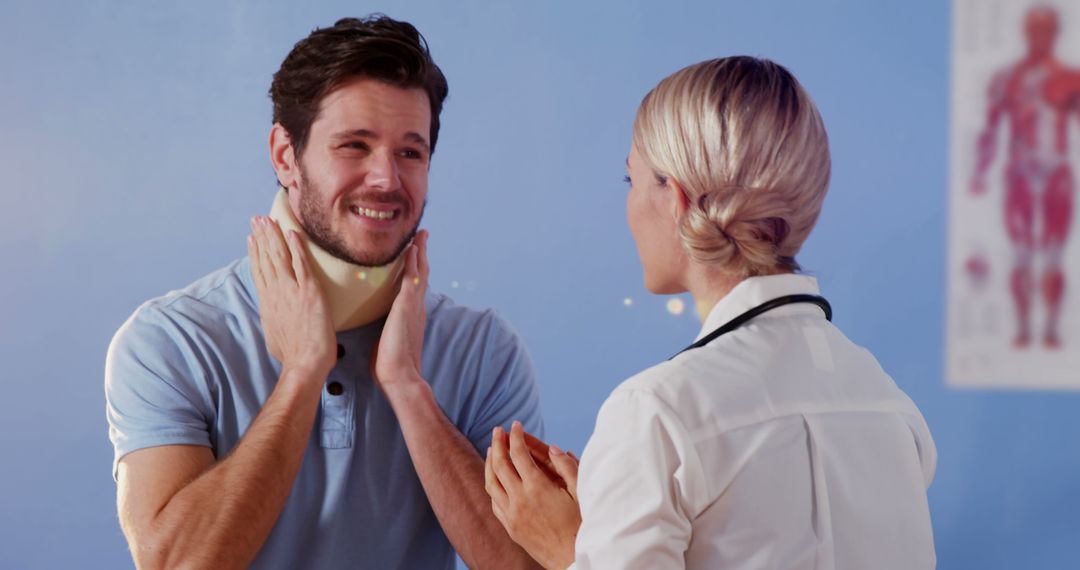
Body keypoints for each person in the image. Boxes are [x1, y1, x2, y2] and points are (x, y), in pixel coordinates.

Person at [105, 16, 543, 570]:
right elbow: (176, 565)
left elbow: (528, 566)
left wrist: (408, 389)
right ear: (286, 156)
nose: (385, 178)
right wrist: (302, 374)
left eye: (411, 152)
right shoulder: (172, 340)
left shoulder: (483, 348)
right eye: (354, 146)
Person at [484, 56, 937, 569]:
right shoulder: (892, 408)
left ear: (674, 198)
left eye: (629, 180)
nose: (627, 206)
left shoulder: (656, 414)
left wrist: (564, 549)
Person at [971, 5, 1077, 349]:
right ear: (1026, 32)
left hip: (1057, 177)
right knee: (1020, 255)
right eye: (1035, 29)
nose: (1040, 37)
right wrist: (980, 172)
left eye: (1047, 29)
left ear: (1056, 34)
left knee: (1054, 255)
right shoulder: (1007, 80)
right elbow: (990, 130)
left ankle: (1048, 328)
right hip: (1019, 175)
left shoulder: (1070, 80)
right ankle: (1021, 328)